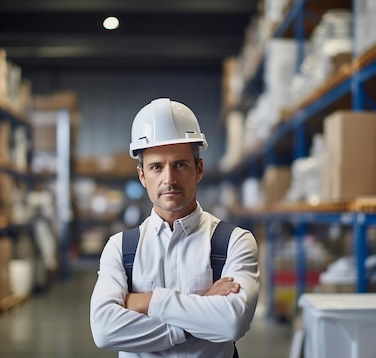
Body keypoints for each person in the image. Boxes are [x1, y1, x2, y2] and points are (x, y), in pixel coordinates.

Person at [90, 98, 260, 357]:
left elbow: (231, 323)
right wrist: (201, 310)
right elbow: (104, 330)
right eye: (156, 167)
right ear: (142, 176)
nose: (169, 179)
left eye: (180, 164)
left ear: (198, 169)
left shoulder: (234, 243)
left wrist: (145, 302)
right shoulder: (121, 248)